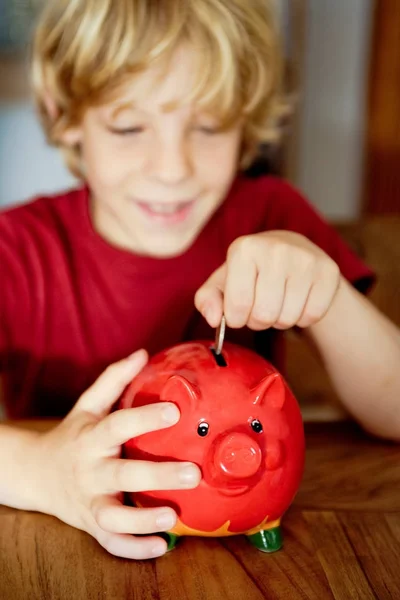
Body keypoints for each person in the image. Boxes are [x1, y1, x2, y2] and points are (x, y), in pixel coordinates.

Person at [0, 0, 399, 561]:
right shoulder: (15, 251)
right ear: (64, 115)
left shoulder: (271, 215)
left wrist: (327, 298)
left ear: (247, 123)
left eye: (208, 126)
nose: (172, 168)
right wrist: (37, 470)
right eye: (129, 125)